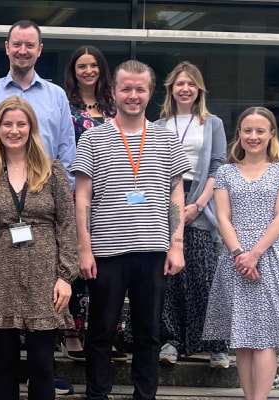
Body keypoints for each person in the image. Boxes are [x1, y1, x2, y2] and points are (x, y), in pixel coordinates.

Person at [73, 60, 189, 400]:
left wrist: (176, 244)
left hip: (154, 249)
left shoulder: (167, 139)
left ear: (150, 93)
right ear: (113, 91)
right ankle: (97, 395)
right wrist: (84, 247)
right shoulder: (93, 138)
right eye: (126, 88)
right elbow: (82, 197)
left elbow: (176, 193)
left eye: (140, 89)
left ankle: (145, 395)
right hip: (107, 250)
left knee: (148, 332)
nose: (133, 95)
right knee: (101, 332)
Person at [0, 96, 78, 400]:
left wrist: (66, 277)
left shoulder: (53, 170)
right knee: (4, 366)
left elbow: (67, 225)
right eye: (7, 124)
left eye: (21, 123)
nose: (14, 130)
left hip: (45, 275)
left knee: (42, 365)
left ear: (31, 127)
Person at [204, 106, 279, 400]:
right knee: (243, 340)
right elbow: (223, 218)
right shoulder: (226, 172)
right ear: (239, 134)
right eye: (248, 130)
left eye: (260, 131)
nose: (254, 136)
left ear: (271, 133)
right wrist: (238, 254)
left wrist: (254, 253)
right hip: (235, 260)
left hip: (267, 258)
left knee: (264, 338)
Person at [153, 61, 230, 369]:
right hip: (163, 205)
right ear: (171, 88)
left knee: (204, 277)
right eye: (179, 84)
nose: (185, 89)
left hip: (200, 204)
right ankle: (170, 341)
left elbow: (217, 166)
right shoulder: (158, 125)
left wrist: (197, 204)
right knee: (168, 277)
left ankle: (215, 346)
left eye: (191, 84)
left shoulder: (212, 123)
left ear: (199, 89)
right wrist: (170, 209)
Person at [59, 45, 121, 363]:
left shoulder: (114, 104)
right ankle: (72, 330)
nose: (88, 70)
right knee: (78, 264)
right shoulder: (65, 105)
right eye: (81, 66)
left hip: (110, 197)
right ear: (74, 70)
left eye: (93, 65)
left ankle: (104, 331)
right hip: (74, 194)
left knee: (107, 267)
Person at [0, 20, 75, 176]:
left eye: (29, 45)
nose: (22, 51)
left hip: (46, 190)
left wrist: (61, 191)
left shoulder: (57, 96)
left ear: (39, 49)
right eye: (17, 44)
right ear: (7, 47)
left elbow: (67, 152)